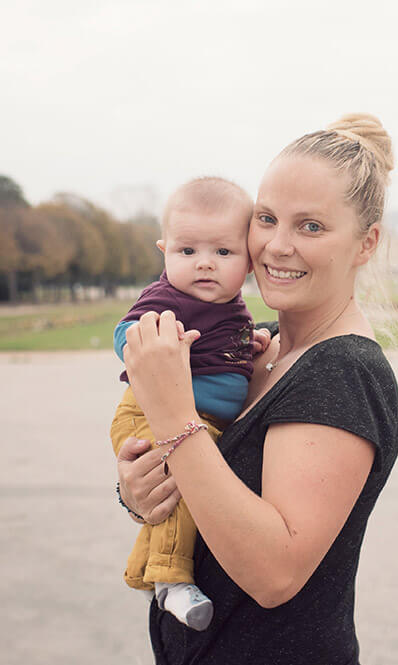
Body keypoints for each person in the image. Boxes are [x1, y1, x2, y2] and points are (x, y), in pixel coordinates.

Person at [117, 113, 398, 664]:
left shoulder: (341, 372)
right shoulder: (259, 347)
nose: (276, 246)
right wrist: (139, 491)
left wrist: (175, 415)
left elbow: (274, 573)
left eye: (311, 227)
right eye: (266, 219)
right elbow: (210, 491)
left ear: (365, 243)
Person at [110, 176, 265, 631]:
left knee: (185, 488)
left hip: (197, 418)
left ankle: (152, 570)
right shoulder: (168, 299)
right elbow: (126, 335)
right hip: (149, 413)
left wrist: (246, 348)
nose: (205, 265)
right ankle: (170, 580)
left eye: (223, 252)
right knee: (185, 491)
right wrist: (160, 349)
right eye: (187, 251)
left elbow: (224, 348)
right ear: (164, 251)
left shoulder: (232, 308)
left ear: (249, 260)